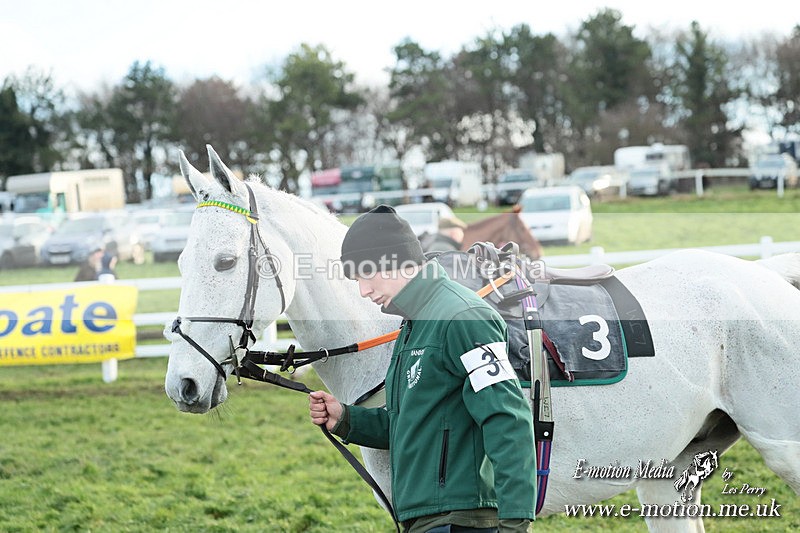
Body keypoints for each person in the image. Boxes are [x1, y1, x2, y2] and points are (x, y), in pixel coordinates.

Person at [309, 205, 536, 533]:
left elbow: (508, 420)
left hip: (459, 522)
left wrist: (515, 523)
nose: (363, 290)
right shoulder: (414, 324)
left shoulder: (462, 318)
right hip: (429, 520)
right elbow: (412, 423)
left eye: (365, 275)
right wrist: (345, 418)